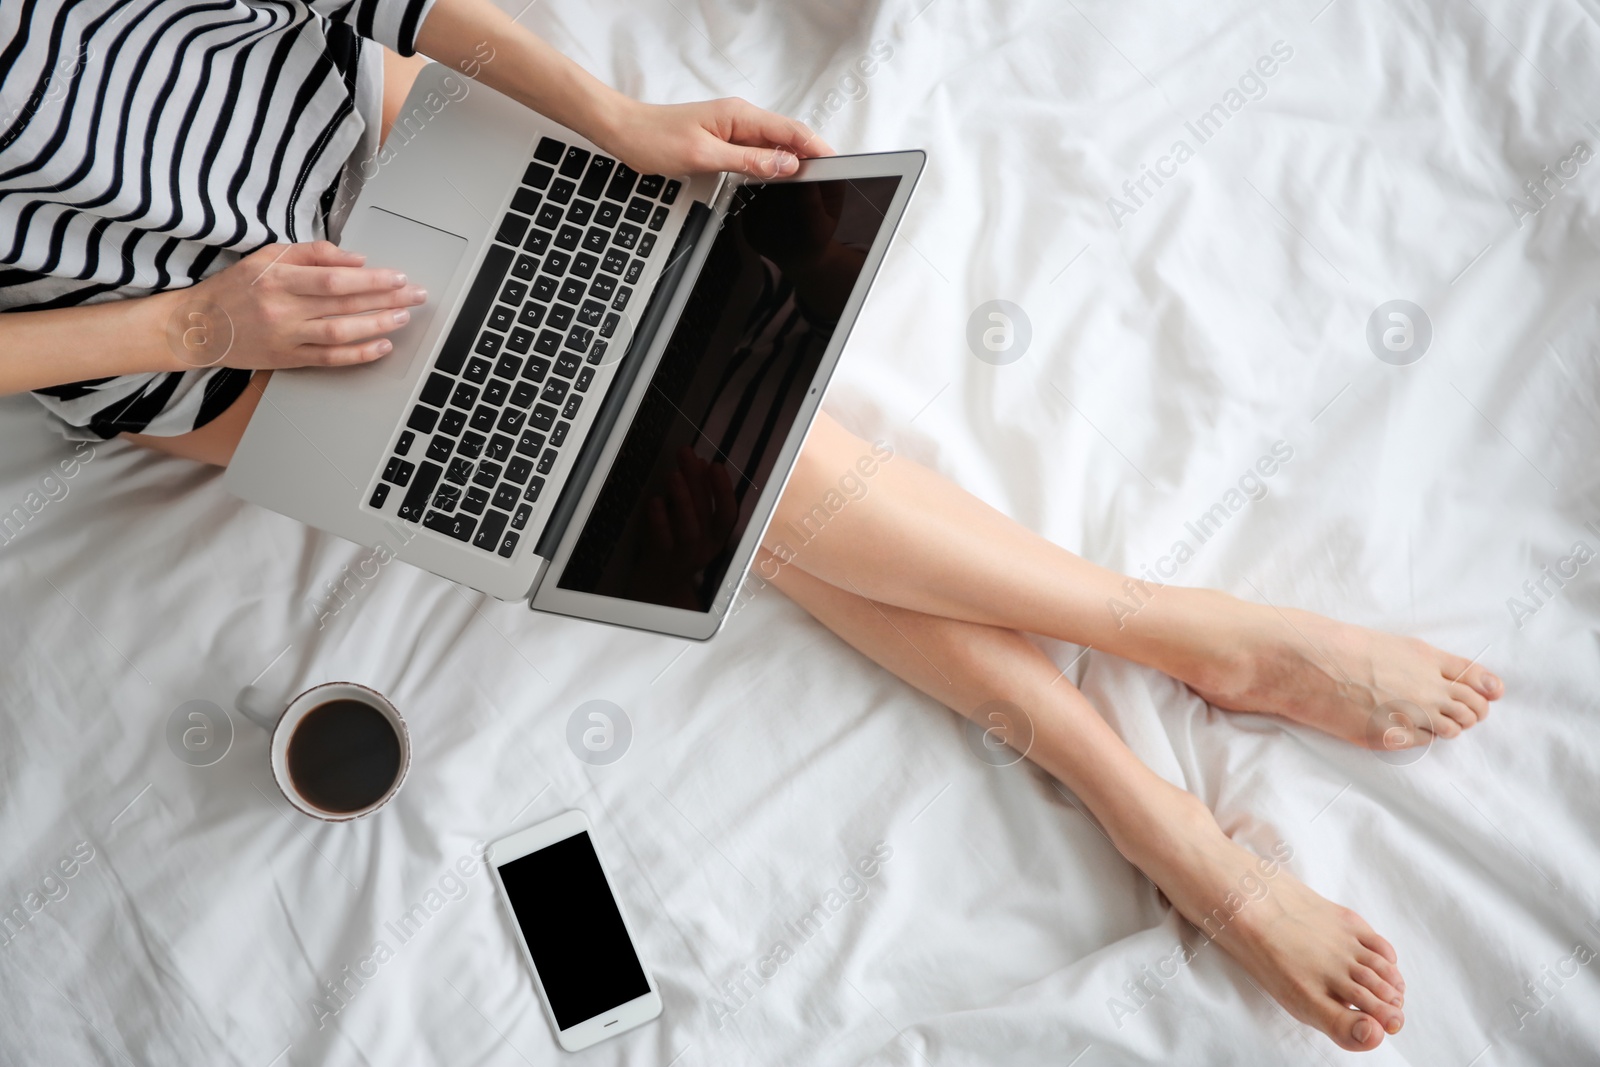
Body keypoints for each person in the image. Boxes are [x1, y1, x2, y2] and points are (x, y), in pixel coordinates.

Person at [0, 0, 1504, 1052]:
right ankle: (1161, 679)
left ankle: (1151, 760)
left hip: (351, 124)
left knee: (700, 442)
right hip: (180, 338)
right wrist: (205, 313)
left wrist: (609, 115)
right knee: (682, 461)